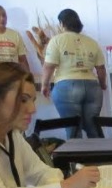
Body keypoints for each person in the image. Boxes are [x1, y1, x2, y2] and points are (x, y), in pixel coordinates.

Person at [41, 9, 106, 139]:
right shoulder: (92, 42)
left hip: (67, 86)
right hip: (92, 87)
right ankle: (101, 158)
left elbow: (49, 66)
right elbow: (101, 68)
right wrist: (102, 84)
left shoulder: (57, 40)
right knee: (93, 128)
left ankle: (77, 159)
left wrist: (45, 85)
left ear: (61, 23)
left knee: (73, 129)